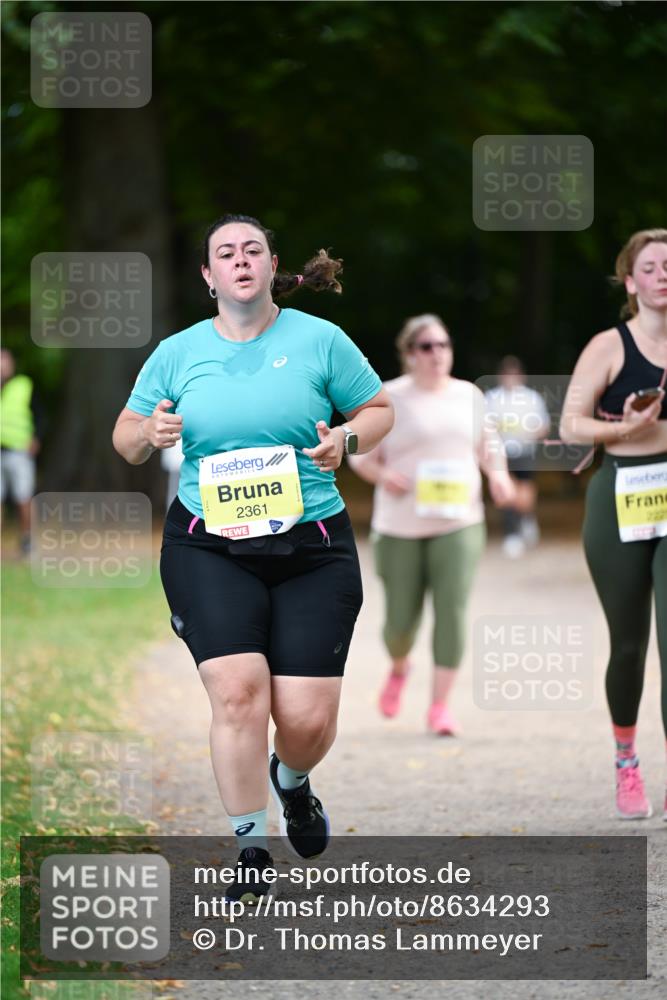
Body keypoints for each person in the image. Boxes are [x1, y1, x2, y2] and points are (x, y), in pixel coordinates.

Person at [112, 213, 393, 900]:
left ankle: (291, 781)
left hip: (311, 546)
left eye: (252, 251)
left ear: (272, 266)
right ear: (208, 277)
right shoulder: (178, 352)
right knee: (237, 695)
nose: (240, 261)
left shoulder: (319, 341)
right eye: (225, 254)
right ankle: (250, 849)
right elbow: (124, 440)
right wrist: (149, 430)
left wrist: (346, 443)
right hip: (208, 545)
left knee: (304, 720)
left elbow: (379, 411)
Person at [348, 314, 514, 734]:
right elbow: (359, 456)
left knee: (452, 610)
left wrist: (497, 475)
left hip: (459, 521)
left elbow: (488, 446)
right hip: (400, 523)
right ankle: (400, 666)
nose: (437, 354)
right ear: (408, 354)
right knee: (400, 623)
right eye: (426, 347)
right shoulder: (389, 397)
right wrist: (385, 476)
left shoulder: (469, 395)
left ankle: (440, 706)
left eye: (443, 345)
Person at [560, 228, 667, 821]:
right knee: (628, 644)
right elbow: (572, 425)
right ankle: (627, 761)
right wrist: (624, 429)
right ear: (631, 282)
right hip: (622, 492)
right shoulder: (609, 344)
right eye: (650, 267)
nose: (662, 274)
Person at [484, 356, 550, 558]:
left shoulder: (532, 398)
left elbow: (543, 426)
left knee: (525, 493)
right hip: (501, 452)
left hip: (525, 450)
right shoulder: (492, 398)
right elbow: (485, 425)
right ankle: (511, 533)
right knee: (506, 491)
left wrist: (529, 430)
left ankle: (526, 518)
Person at [1, 348, 44, 556]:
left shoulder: (23, 385)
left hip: (19, 450)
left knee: (23, 496)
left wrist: (36, 438)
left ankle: (27, 539)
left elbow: (39, 414)